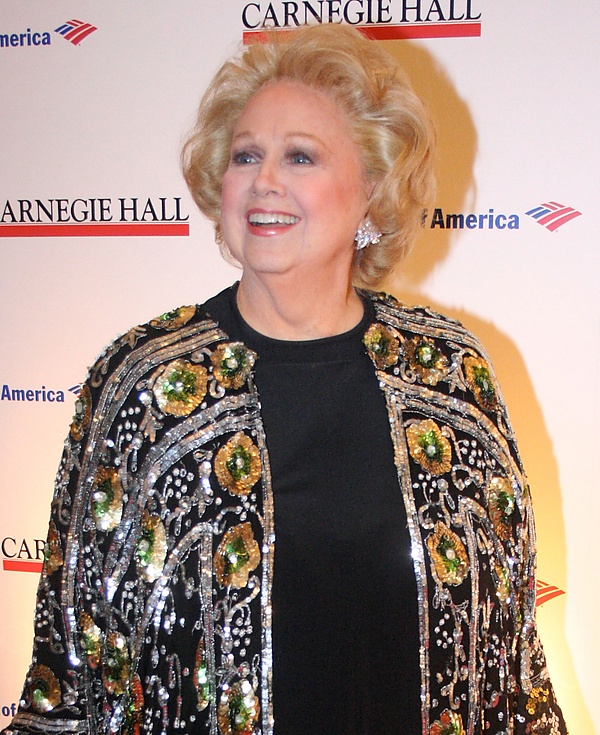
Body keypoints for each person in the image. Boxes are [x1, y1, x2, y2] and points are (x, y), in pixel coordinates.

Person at [3, 24, 567, 735]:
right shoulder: (144, 385)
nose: (264, 180)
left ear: (371, 190)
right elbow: (70, 677)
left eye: (300, 156)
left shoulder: (450, 375)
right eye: (246, 156)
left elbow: (512, 670)